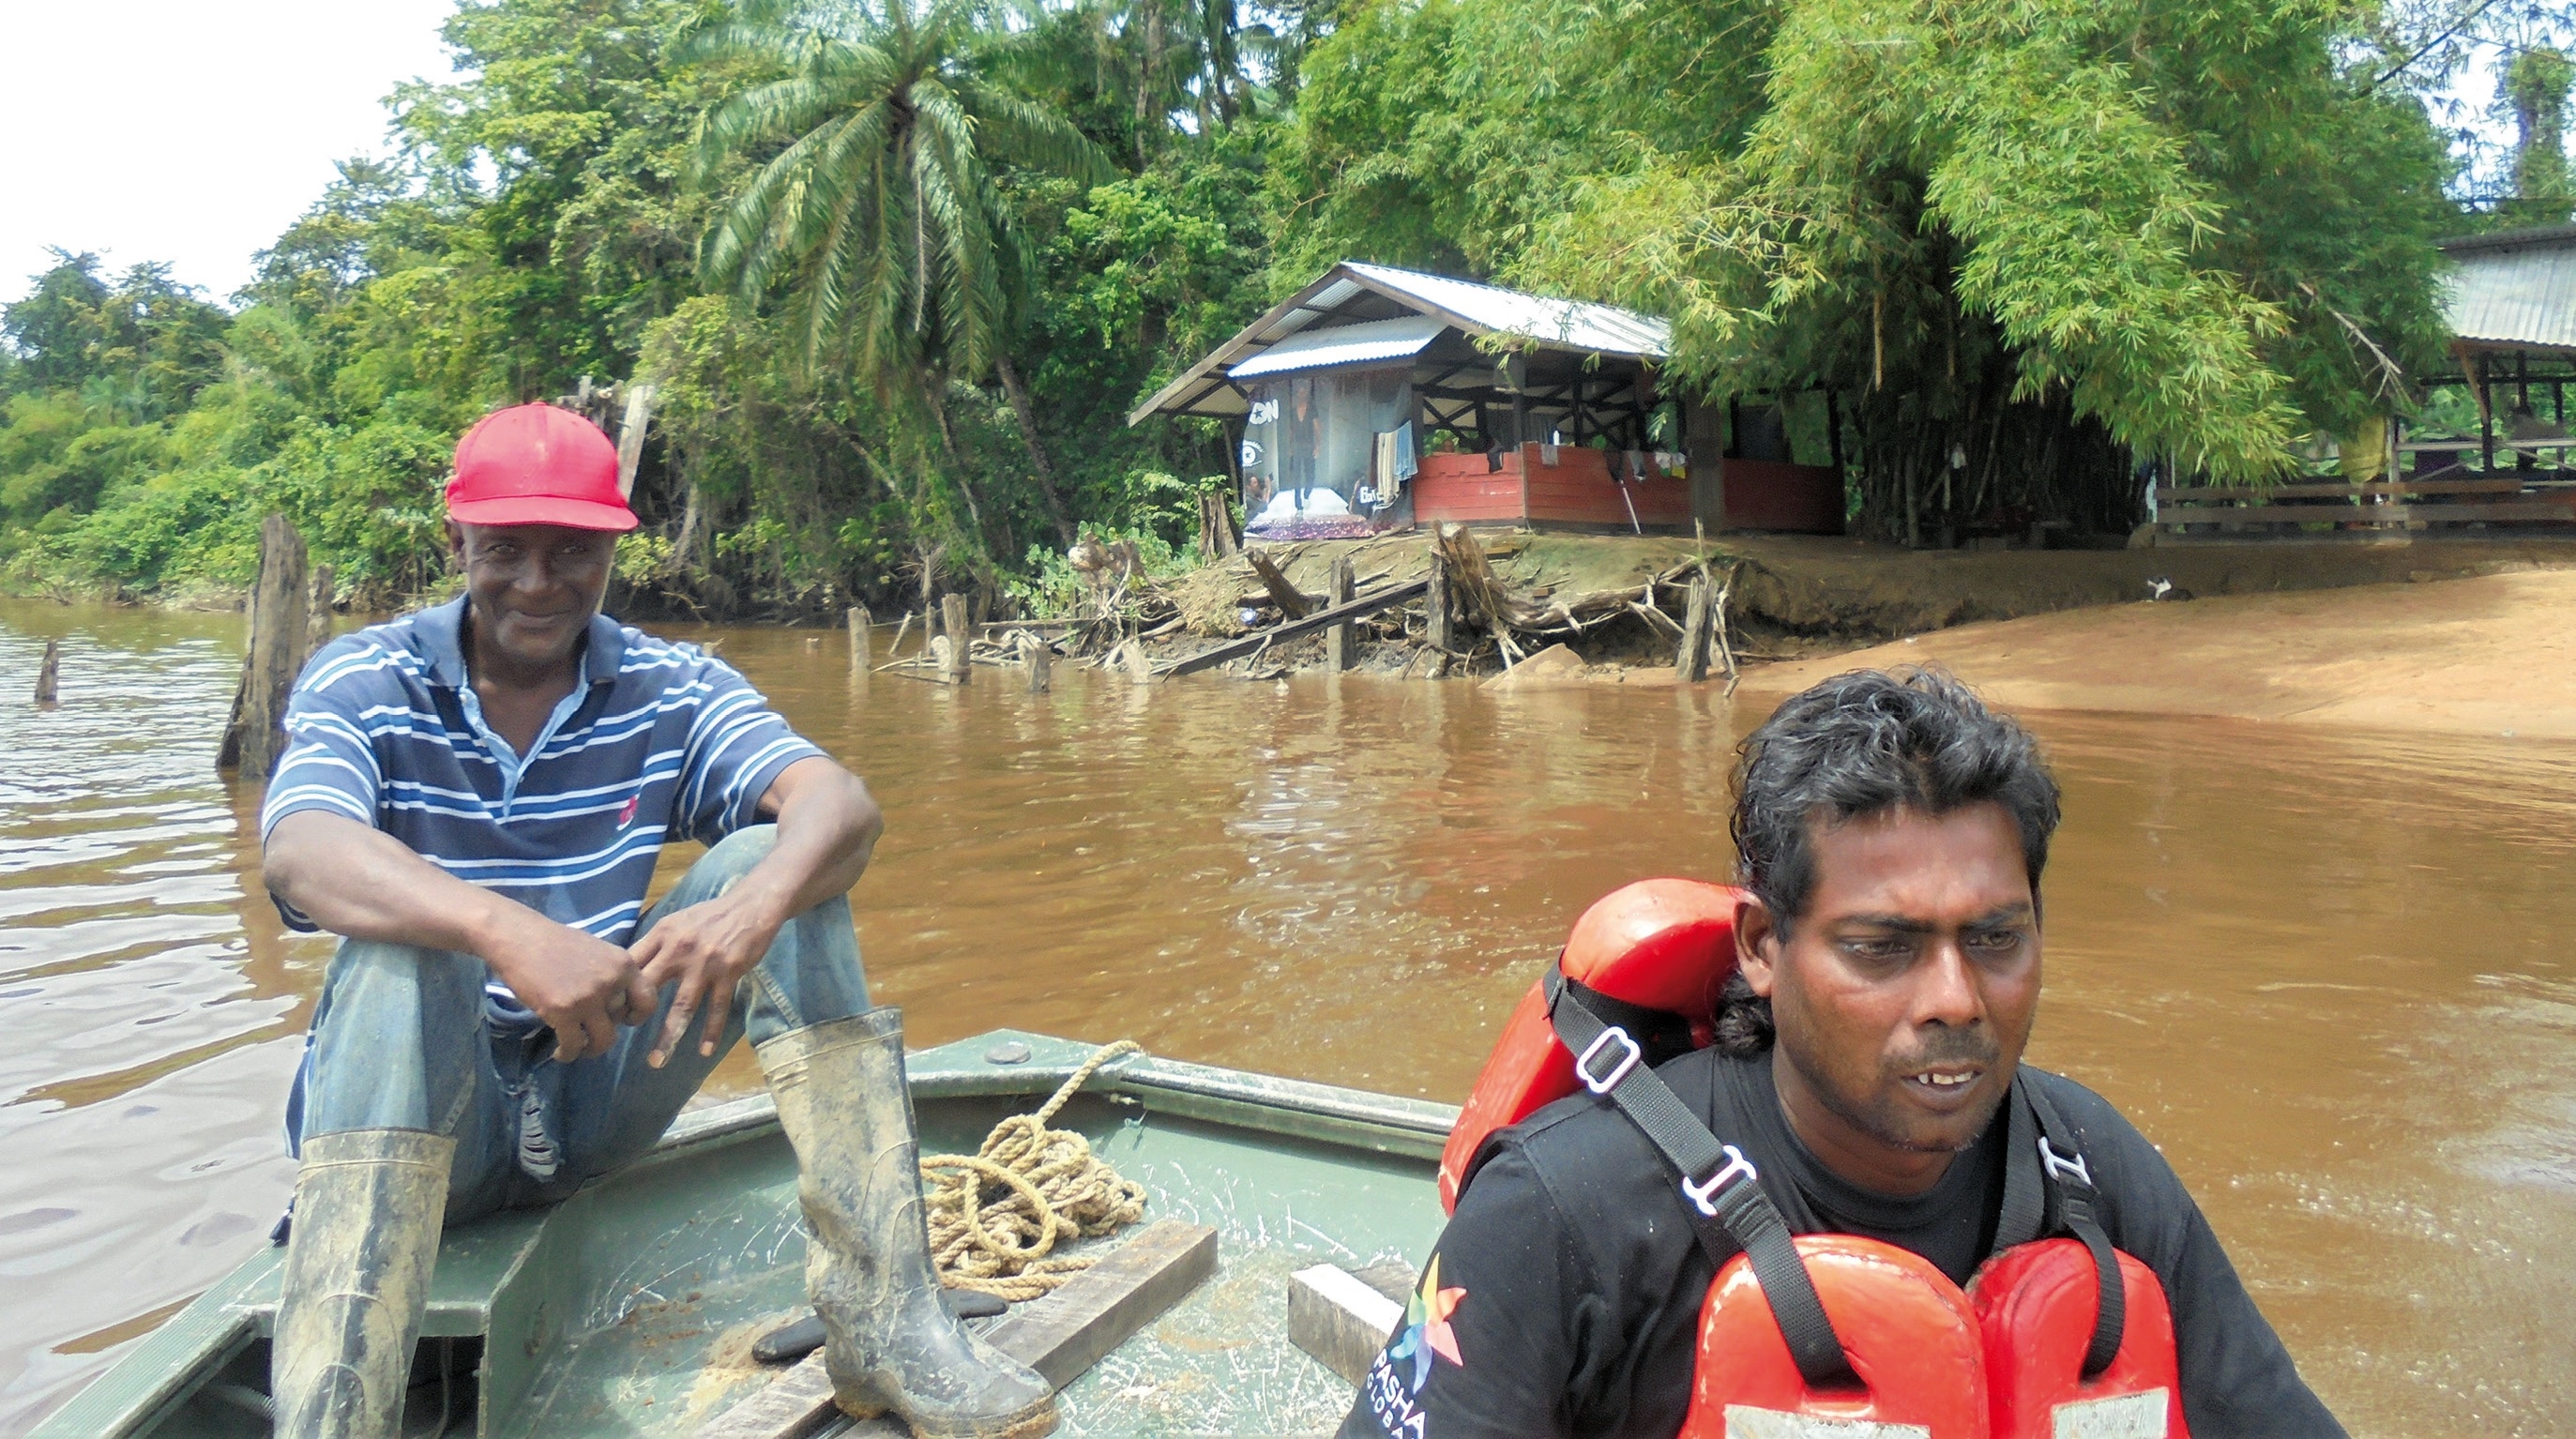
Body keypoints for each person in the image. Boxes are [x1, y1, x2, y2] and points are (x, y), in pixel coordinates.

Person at [258, 402, 1054, 1439]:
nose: (538, 583)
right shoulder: (367, 680)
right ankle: (332, 1421)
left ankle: (885, 1320)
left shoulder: (666, 684)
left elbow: (842, 806)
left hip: (591, 1101)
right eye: (505, 550)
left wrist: (752, 907)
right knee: (402, 951)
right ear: (454, 540)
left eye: (571, 551)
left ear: (611, 553)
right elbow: (301, 847)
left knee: (779, 861)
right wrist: (501, 928)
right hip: (419, 1129)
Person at [1340, 668, 2345, 1438]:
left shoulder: (2090, 1171)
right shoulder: (1561, 1215)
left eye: (1995, 937)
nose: (1954, 1001)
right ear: (1763, 947)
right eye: (1882, 948)